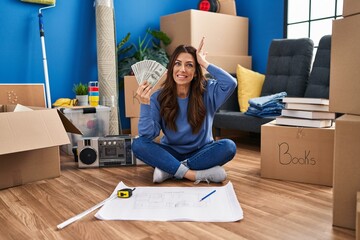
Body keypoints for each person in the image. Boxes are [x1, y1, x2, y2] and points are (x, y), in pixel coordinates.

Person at [131, 37, 237, 183]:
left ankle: (170, 170)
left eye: (189, 65)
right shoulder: (157, 98)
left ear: (195, 72)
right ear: (171, 68)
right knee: (138, 144)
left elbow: (231, 83)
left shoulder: (208, 91)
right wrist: (144, 104)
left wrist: (204, 63)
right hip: (171, 152)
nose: (182, 69)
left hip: (202, 152)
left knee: (229, 147)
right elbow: (148, 135)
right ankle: (192, 174)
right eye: (177, 64)